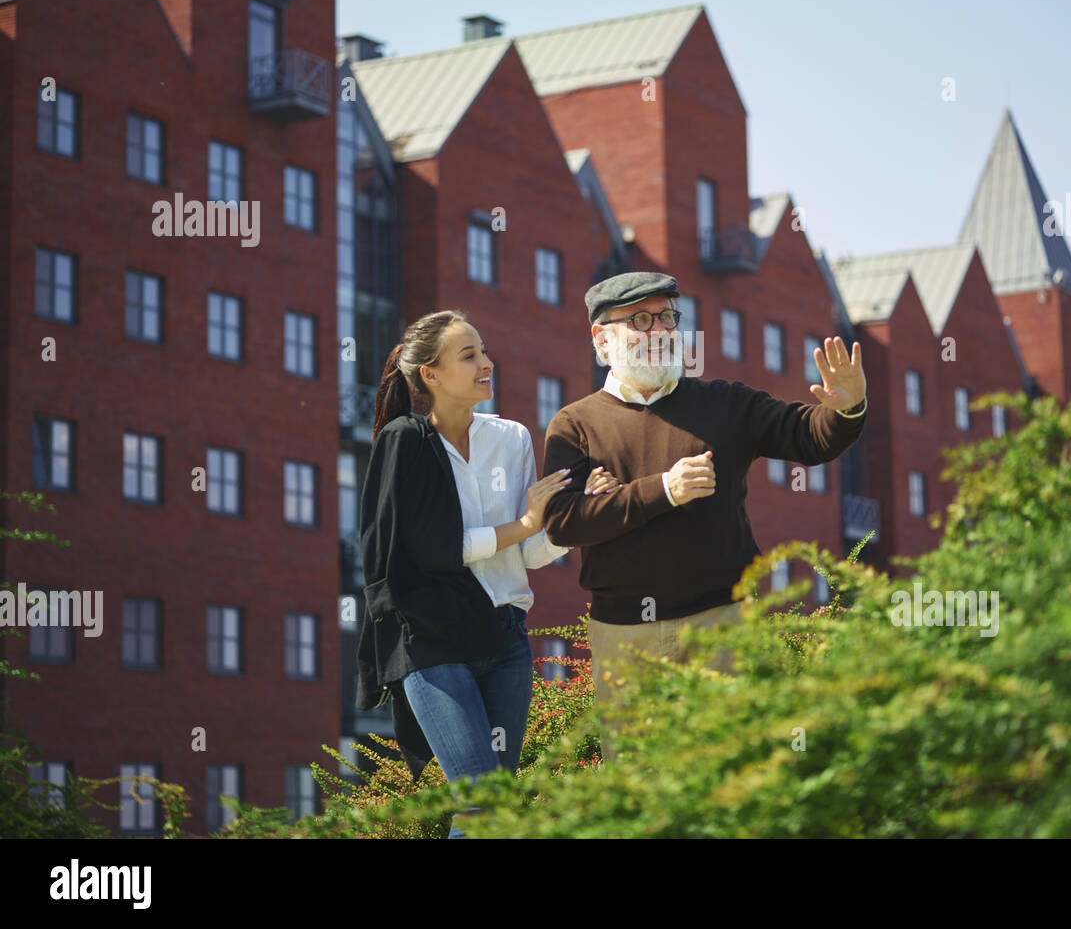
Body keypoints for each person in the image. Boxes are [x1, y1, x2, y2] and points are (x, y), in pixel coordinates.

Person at [541, 272, 867, 760]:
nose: (660, 331)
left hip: (723, 623)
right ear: (602, 338)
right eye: (641, 321)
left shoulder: (726, 403)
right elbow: (563, 522)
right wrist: (664, 490)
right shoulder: (575, 425)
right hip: (625, 637)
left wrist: (848, 407)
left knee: (730, 775)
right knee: (640, 790)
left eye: (668, 318)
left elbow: (808, 436)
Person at [354, 309, 616, 837]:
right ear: (430, 374)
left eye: (484, 351)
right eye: (469, 355)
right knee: (480, 806)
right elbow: (434, 550)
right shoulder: (404, 442)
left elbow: (534, 553)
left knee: (494, 811)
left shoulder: (512, 438)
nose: (486, 364)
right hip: (434, 642)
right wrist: (522, 523)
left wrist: (580, 512)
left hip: (506, 638)